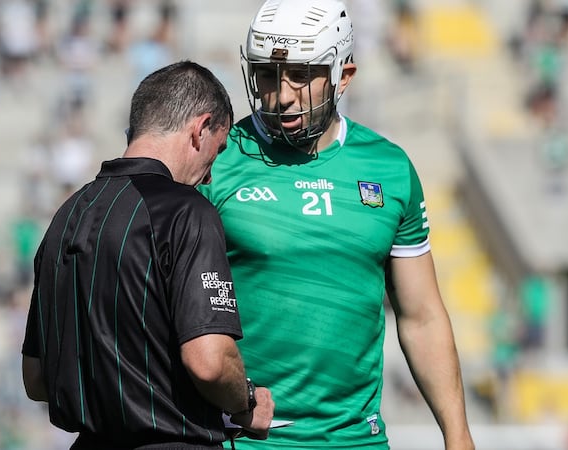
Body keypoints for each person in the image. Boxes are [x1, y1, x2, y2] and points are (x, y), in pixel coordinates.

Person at [197, 1, 475, 449]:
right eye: (267, 74)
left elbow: (421, 315)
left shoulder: (389, 168)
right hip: (242, 440)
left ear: (343, 75)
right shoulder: (218, 160)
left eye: (301, 75)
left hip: (357, 441)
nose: (281, 94)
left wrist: (458, 434)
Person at [21, 60, 275, 449]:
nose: (210, 175)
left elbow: (36, 378)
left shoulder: (66, 215)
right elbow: (209, 362)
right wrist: (246, 401)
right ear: (200, 128)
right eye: (218, 150)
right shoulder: (186, 210)